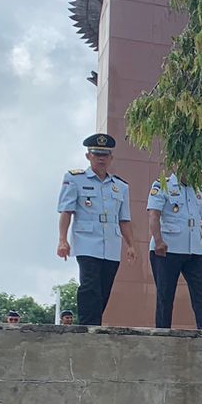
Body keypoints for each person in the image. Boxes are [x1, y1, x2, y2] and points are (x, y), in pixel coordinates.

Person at [56, 133, 135, 326]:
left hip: (111, 243)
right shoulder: (75, 179)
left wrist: (131, 245)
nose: (101, 158)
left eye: (105, 155)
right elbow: (66, 211)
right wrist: (62, 240)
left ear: (111, 158)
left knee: (104, 288)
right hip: (86, 242)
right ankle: (88, 326)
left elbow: (124, 219)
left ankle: (95, 324)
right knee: (90, 285)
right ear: (88, 156)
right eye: (97, 154)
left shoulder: (120, 186)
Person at [147, 171, 202, 330]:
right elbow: (154, 215)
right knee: (165, 295)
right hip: (168, 248)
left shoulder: (198, 189)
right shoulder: (162, 185)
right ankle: (163, 332)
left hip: (195, 250)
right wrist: (158, 241)